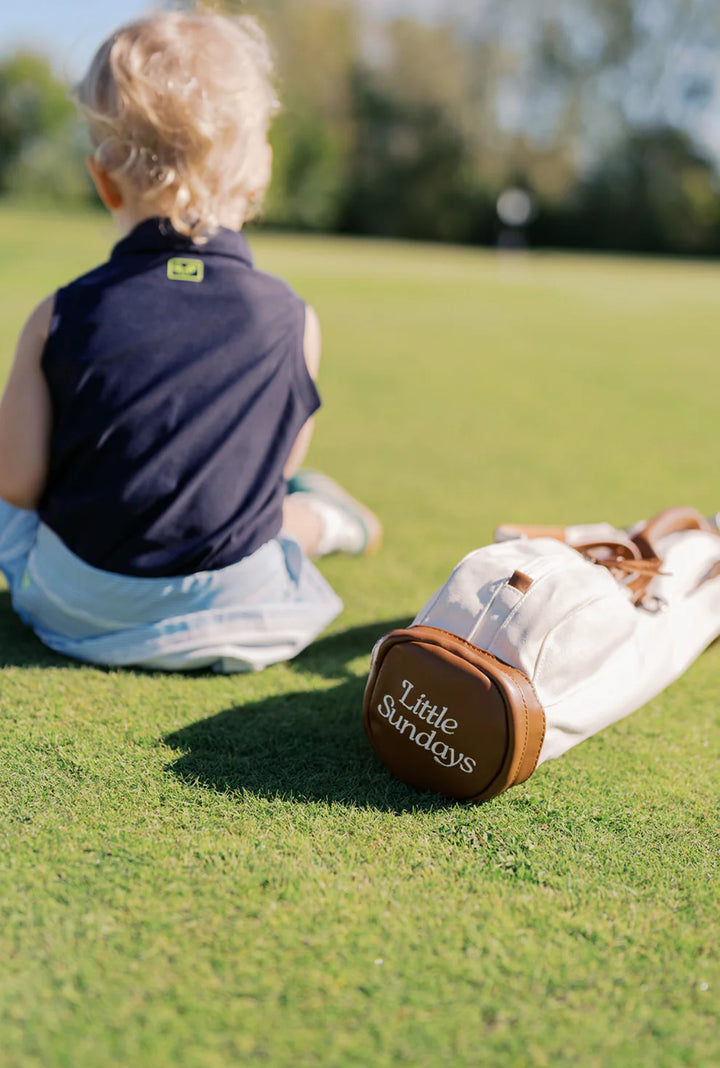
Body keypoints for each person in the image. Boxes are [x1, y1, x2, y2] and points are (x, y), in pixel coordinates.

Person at [0, 11, 381, 673]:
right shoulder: (296, 320)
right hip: (238, 610)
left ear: (102, 179)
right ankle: (335, 523)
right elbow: (273, 474)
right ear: (257, 180)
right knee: (284, 515)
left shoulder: (57, 314)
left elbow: (17, 482)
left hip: (77, 610)